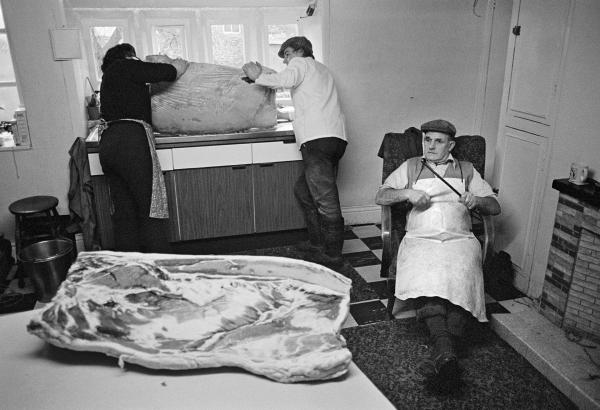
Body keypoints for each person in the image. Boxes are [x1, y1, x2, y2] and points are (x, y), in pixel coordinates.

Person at [375, 119, 501, 383]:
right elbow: (381, 196)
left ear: (451, 144)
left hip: (460, 239)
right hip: (421, 238)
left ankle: (443, 350)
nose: (430, 146)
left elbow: (494, 206)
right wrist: (407, 193)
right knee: (427, 278)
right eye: (427, 139)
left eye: (438, 141)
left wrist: (476, 200)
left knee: (464, 278)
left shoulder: (466, 170)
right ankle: (447, 350)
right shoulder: (411, 166)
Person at [242, 36, 348, 269]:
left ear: (300, 50)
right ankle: (317, 243)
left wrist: (256, 76)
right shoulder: (322, 70)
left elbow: (286, 79)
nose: (286, 60)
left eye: (287, 54)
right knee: (304, 191)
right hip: (334, 138)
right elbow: (313, 104)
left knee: (325, 199)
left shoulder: (301, 64)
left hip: (317, 139)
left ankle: (332, 255)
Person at [98, 43, 188, 253]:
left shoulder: (109, 79)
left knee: (124, 212)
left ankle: (130, 267)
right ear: (128, 56)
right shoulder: (124, 66)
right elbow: (164, 72)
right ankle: (160, 264)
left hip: (109, 143)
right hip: (130, 141)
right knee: (150, 207)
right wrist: (178, 68)